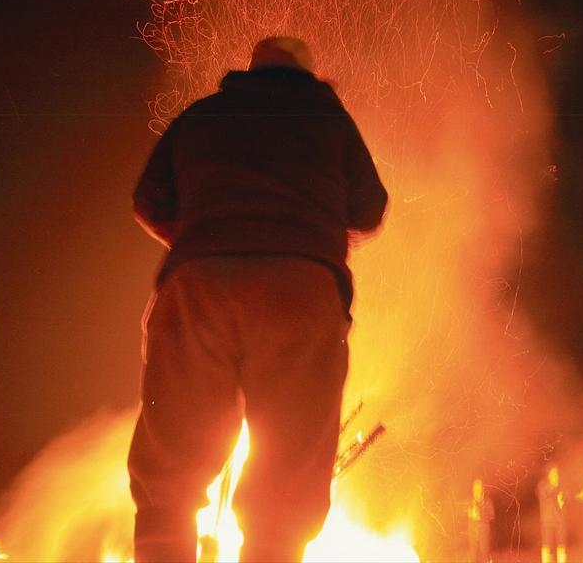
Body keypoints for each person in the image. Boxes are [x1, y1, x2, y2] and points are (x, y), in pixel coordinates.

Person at [127, 36, 388, 562]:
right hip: (302, 294)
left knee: (170, 470)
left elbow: (147, 199)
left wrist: (205, 240)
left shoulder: (203, 115)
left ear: (250, 71)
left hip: (198, 286)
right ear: (308, 77)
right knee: (287, 475)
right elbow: (370, 208)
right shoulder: (329, 120)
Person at [537, 464, 567, 563]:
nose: (556, 474)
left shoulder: (561, 486)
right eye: (553, 472)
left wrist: (564, 498)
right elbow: (545, 495)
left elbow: (565, 500)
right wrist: (554, 487)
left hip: (559, 521)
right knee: (547, 545)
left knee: (561, 544)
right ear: (548, 474)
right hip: (547, 521)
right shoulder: (542, 485)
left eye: (557, 472)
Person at [467, 478, 496, 563]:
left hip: (484, 530)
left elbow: (492, 516)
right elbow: (469, 515)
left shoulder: (487, 502)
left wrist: (481, 516)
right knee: (473, 554)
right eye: (475, 489)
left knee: (485, 552)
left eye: (478, 488)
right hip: (472, 530)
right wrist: (470, 515)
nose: (476, 491)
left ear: (482, 489)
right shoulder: (471, 502)